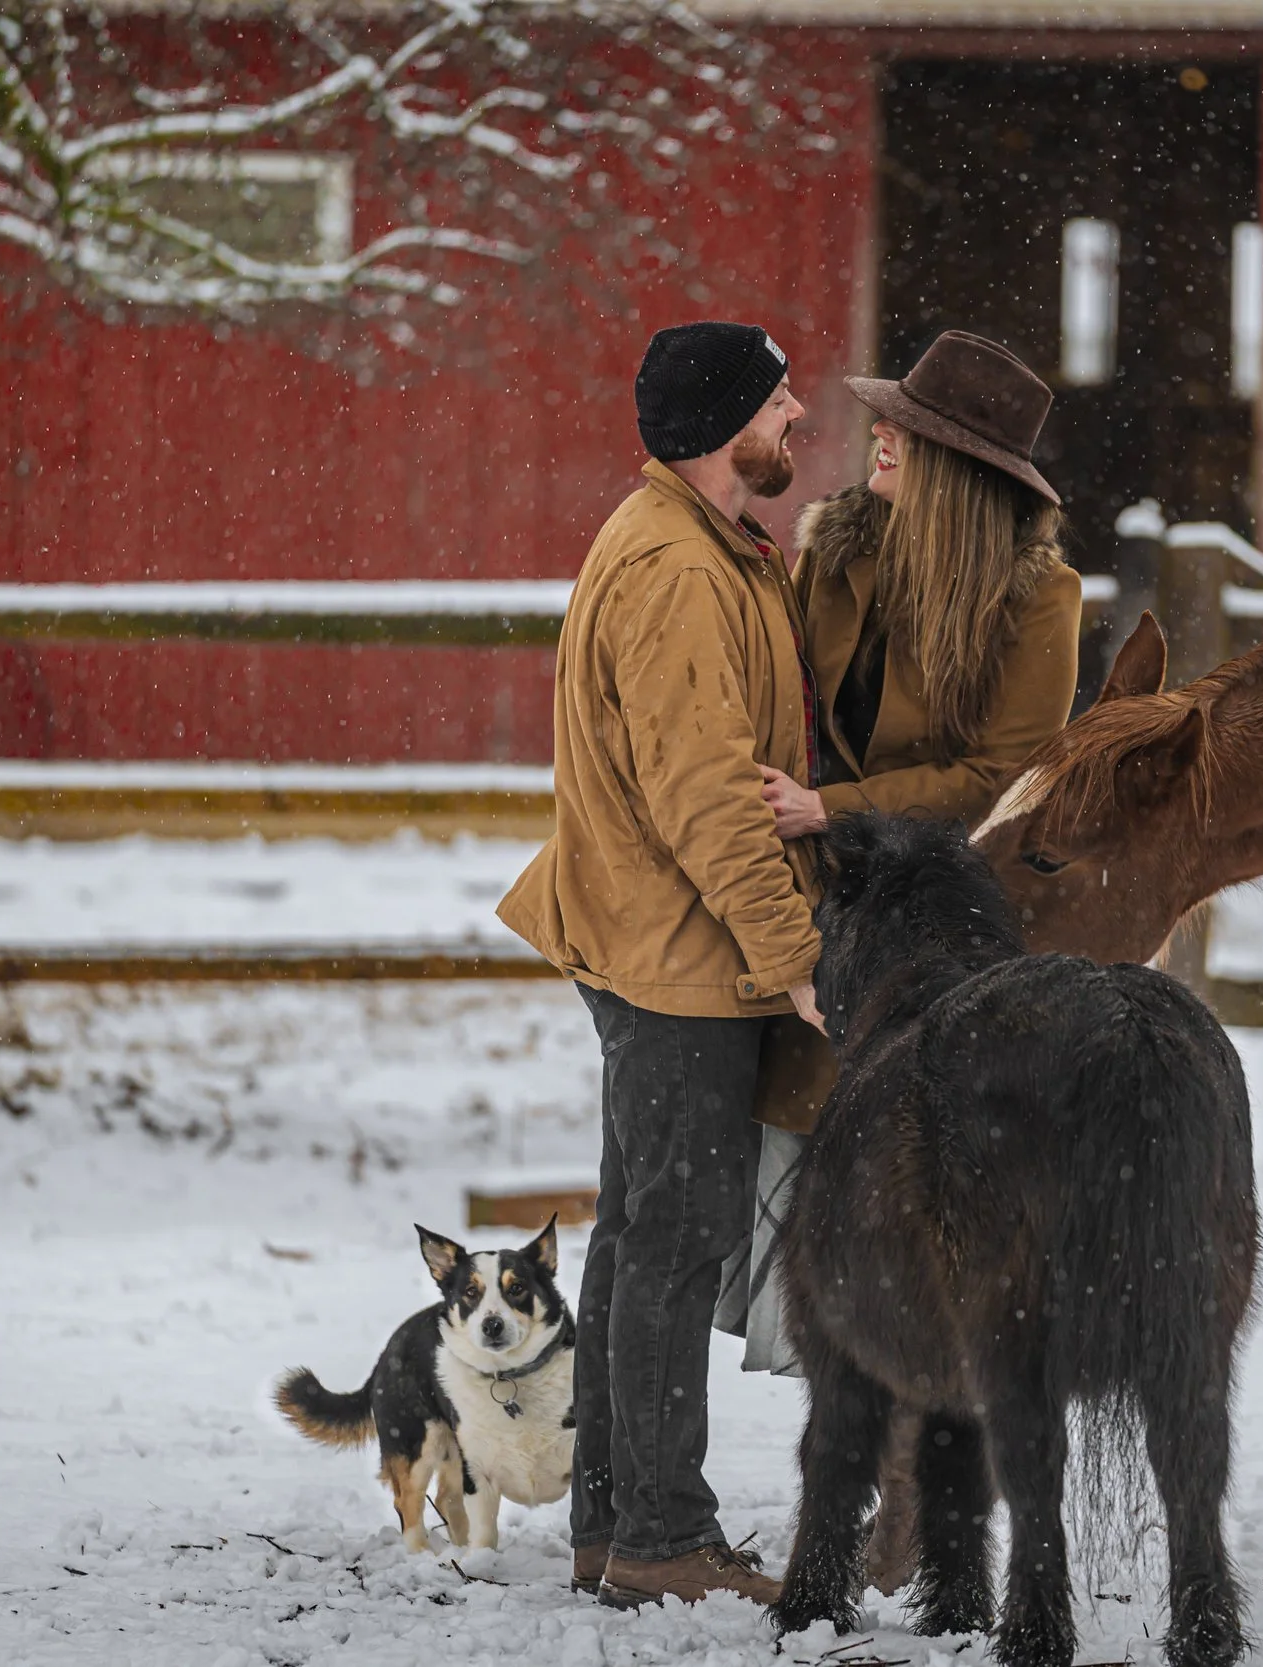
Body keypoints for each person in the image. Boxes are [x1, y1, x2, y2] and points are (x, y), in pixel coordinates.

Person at [720, 329, 1083, 1592]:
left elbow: (1003, 778)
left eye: (907, 433)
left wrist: (842, 809)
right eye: (887, 420)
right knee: (819, 1200)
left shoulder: (1040, 598)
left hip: (936, 926)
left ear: (964, 471)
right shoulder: (831, 549)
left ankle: (921, 1525)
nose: (876, 434)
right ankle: (852, 1489)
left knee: (930, 1214)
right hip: (818, 908)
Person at [496, 320, 820, 1610]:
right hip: (678, 954)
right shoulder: (677, 568)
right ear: (721, 425)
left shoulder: (699, 546)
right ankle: (664, 1537)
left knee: (638, 1240)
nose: (799, 414)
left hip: (656, 942)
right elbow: (705, 796)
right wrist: (795, 956)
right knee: (675, 1241)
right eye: (779, 396)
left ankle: (612, 1523)